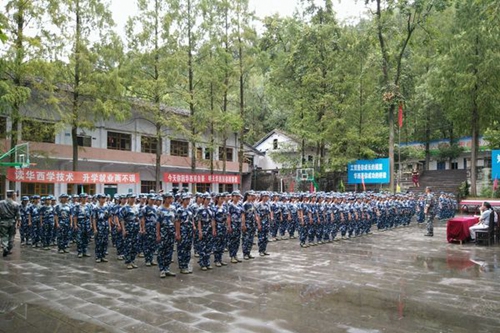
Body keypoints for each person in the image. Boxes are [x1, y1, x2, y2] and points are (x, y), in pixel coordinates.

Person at [0, 190, 20, 257]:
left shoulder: (1, 203)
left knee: (4, 235)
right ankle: (9, 247)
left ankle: (5, 247)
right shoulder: (16, 204)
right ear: (12, 195)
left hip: (3, 221)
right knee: (11, 236)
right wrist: (18, 222)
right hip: (12, 222)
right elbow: (18, 215)